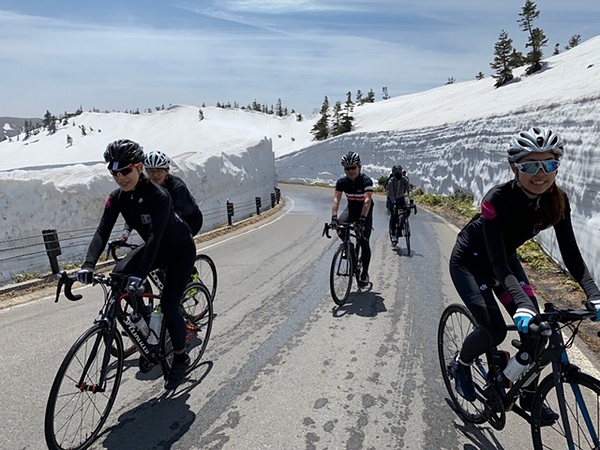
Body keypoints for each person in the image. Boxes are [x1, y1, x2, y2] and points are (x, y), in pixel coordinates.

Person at [449, 126, 600, 423]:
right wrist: (521, 303)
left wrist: (594, 293)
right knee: (493, 329)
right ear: (514, 167)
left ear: (558, 166)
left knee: (539, 330)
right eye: (530, 165)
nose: (540, 173)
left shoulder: (558, 200)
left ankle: (529, 393)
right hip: (471, 262)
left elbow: (571, 255)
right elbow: (497, 262)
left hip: (505, 260)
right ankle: (462, 363)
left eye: (549, 164)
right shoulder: (497, 199)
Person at [76, 139, 196, 390]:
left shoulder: (159, 195)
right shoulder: (116, 198)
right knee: (117, 275)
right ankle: (145, 329)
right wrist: (88, 264)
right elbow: (102, 231)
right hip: (156, 248)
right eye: (114, 173)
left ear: (139, 167)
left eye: (125, 171)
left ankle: (181, 358)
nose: (120, 178)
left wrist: (140, 275)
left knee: (170, 305)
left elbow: (154, 237)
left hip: (179, 250)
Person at [120, 150, 203, 242]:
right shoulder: (143, 187)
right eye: (151, 171)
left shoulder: (177, 187)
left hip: (189, 219)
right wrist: (125, 234)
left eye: (159, 171)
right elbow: (134, 212)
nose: (155, 175)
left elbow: (172, 216)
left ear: (167, 171)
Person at [331, 151, 374, 287]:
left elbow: (367, 201)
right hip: (351, 209)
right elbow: (336, 199)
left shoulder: (366, 181)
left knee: (363, 240)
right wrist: (334, 217)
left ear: (359, 167)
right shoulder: (342, 182)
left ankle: (365, 273)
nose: (350, 171)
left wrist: (362, 219)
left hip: (364, 210)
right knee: (340, 227)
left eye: (353, 168)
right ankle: (348, 248)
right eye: (347, 168)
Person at [386, 164, 413, 246]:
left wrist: (411, 200)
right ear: (393, 174)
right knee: (394, 215)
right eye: (397, 173)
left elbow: (409, 189)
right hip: (391, 200)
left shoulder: (404, 179)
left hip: (401, 198)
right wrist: (394, 204)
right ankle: (393, 233)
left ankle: (401, 224)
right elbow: (391, 194)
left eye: (400, 172)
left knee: (407, 210)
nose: (399, 174)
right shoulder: (391, 181)